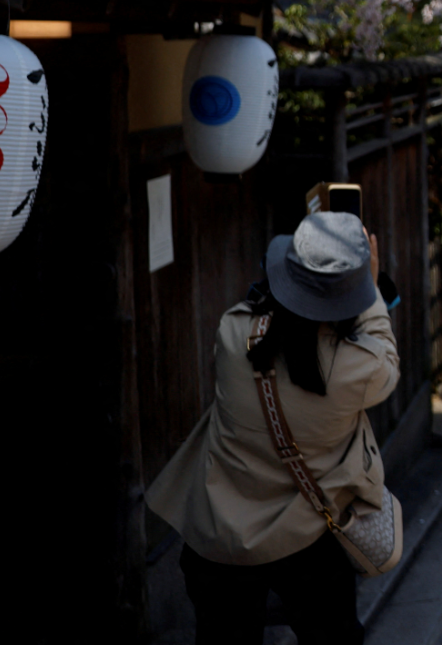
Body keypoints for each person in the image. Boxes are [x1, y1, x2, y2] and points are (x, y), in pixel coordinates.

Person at [147, 213, 400, 645]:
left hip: (220, 531)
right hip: (308, 536)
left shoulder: (233, 333)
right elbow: (382, 345)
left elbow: (269, 315)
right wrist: (370, 288)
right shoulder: (361, 368)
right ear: (348, 295)